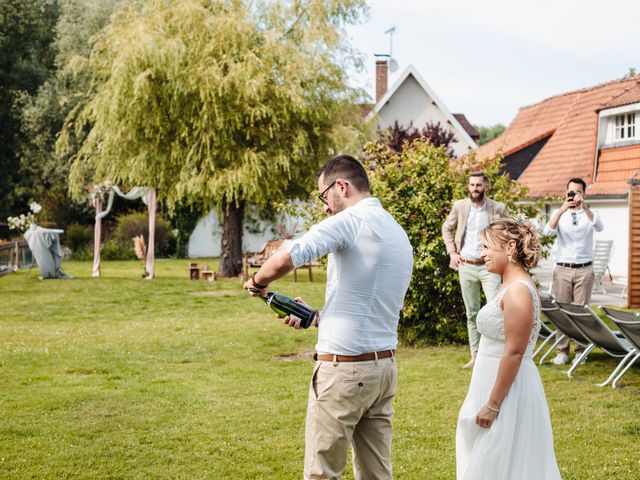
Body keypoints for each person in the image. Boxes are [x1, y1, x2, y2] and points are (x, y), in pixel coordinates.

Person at [243, 155, 413, 480]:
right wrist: (318, 317)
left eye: (324, 197)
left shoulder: (350, 221)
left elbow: (287, 257)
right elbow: (370, 302)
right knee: (377, 475)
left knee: (322, 474)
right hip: (383, 369)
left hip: (344, 371)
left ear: (342, 186)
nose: (324, 208)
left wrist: (257, 282)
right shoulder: (396, 232)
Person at [456, 218, 561, 480]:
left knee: (500, 460)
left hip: (508, 392)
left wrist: (493, 404)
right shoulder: (507, 285)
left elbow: (515, 352)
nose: (482, 254)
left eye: (486, 247)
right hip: (492, 382)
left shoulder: (518, 292)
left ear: (510, 247)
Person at [442, 172, 508, 368]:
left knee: (496, 310)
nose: (474, 188)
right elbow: (446, 228)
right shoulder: (460, 206)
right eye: (471, 185)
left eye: (478, 185)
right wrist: (452, 252)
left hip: (490, 268)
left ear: (485, 186)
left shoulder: (498, 208)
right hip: (466, 266)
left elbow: (511, 229)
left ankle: (498, 354)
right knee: (472, 313)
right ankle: (476, 356)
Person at [543, 178, 604, 365]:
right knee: (562, 311)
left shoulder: (591, 213)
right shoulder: (560, 213)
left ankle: (580, 350)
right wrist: (562, 209)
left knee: (581, 312)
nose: (574, 195)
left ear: (584, 193)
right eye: (571, 191)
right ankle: (562, 351)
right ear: (566, 192)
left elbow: (600, 227)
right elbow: (547, 232)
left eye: (578, 191)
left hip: (584, 269)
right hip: (563, 268)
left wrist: (584, 208)